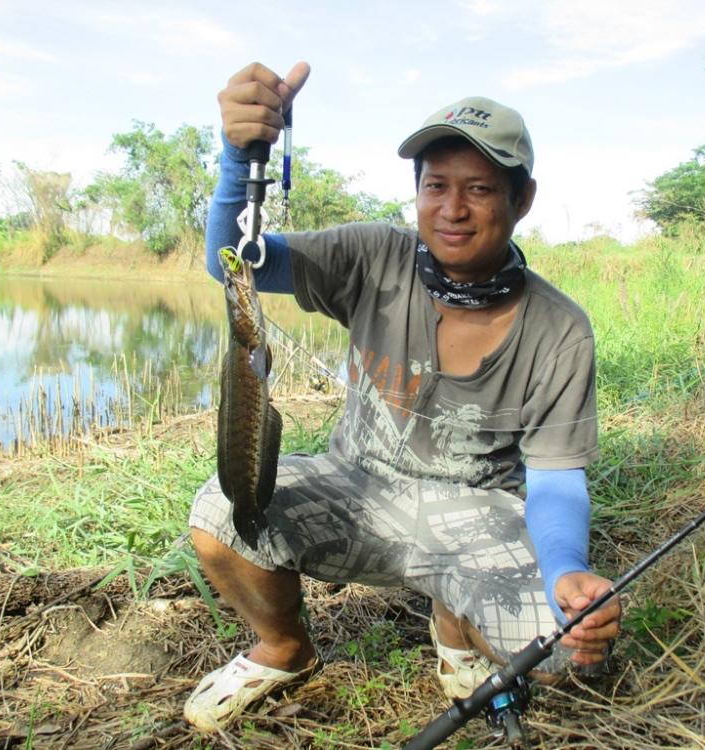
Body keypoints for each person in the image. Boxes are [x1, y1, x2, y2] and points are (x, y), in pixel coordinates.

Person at [184, 60, 621, 732]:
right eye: (435, 186)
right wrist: (241, 155)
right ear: (416, 192)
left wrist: (566, 570)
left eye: (479, 188)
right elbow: (235, 258)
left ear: (522, 199)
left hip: (477, 516)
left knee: (571, 655)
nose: (452, 209)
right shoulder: (371, 256)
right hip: (355, 487)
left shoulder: (559, 329)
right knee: (221, 511)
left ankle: (453, 622)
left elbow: (557, 478)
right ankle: (284, 648)